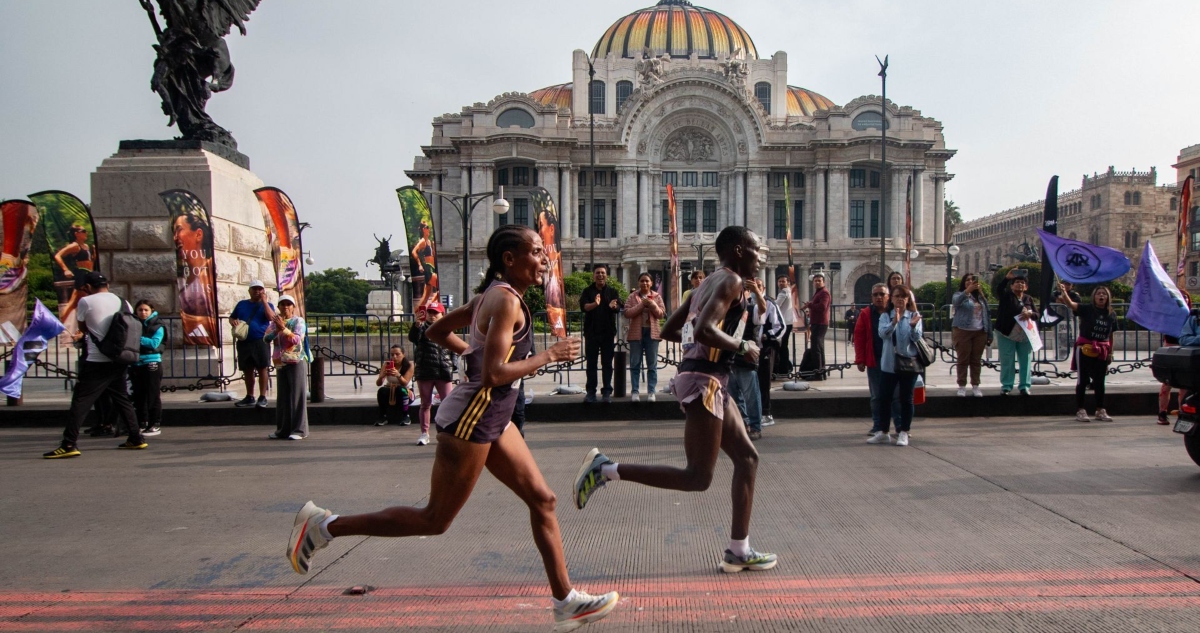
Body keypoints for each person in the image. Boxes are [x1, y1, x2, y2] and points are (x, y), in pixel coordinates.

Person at [286, 225, 618, 632]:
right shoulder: (504, 300)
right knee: (434, 520)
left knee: (543, 500)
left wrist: (472, 352)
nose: (544, 259)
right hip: (472, 421)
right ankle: (323, 526)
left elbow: (436, 331)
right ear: (509, 259)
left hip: (493, 416)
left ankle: (566, 601)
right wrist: (548, 354)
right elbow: (496, 374)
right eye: (535, 251)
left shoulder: (491, 297)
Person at [573, 226, 777, 575]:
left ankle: (738, 550)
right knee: (697, 478)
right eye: (758, 251)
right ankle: (605, 470)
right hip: (705, 381)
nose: (761, 258)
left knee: (747, 457)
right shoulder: (730, 283)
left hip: (709, 377)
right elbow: (703, 331)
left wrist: (709, 347)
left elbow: (669, 330)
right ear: (740, 250)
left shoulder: (704, 285)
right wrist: (741, 345)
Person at [43, 272, 147, 458]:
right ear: (106, 284)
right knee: (122, 398)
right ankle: (135, 437)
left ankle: (69, 444)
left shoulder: (86, 302)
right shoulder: (124, 302)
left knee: (80, 402)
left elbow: (84, 328)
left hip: (98, 359)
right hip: (119, 358)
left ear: (88, 287)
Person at [1059, 284, 1115, 422]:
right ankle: (1081, 409)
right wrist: (1064, 293)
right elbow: (1071, 304)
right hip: (1085, 348)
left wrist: (1110, 353)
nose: (1101, 296)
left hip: (1102, 349)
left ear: (1108, 297)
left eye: (1104, 294)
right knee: (1083, 380)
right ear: (1094, 297)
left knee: (1099, 381)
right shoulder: (1087, 309)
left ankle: (1100, 409)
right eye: (1098, 293)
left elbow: (1111, 335)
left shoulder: (1111, 313)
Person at [877, 284, 924, 447]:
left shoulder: (914, 315)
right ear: (892, 298)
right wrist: (894, 323)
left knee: (906, 398)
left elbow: (917, 338)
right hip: (889, 363)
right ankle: (883, 432)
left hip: (907, 363)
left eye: (903, 297)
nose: (900, 299)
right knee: (884, 398)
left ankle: (904, 431)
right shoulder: (885, 316)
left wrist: (912, 326)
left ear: (908, 299)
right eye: (897, 296)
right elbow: (882, 334)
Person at [264, 294, 310, 440]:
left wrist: (283, 329)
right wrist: (277, 329)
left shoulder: (298, 321)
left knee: (297, 395)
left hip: (295, 360)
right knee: (283, 397)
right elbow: (266, 338)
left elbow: (296, 339)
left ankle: (300, 430)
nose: (285, 307)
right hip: (280, 361)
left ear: (293, 307)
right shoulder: (274, 322)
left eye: (288, 304)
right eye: (282, 304)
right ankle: (283, 430)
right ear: (278, 307)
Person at [409, 303, 454, 445]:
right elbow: (413, 338)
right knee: (425, 403)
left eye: (435, 313)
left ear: (442, 314)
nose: (432, 315)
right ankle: (425, 433)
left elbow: (453, 348)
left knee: (447, 403)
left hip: (443, 369)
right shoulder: (421, 328)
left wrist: (453, 365)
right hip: (425, 370)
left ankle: (447, 431)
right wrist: (417, 325)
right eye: (430, 312)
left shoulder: (447, 328)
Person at [729, 277, 767, 440]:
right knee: (733, 396)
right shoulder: (725, 310)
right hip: (728, 358)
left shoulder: (750, 310)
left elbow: (763, 310)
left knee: (751, 395)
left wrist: (758, 292)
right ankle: (743, 424)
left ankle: (755, 426)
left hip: (745, 358)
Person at [856, 283, 894, 443]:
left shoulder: (895, 312)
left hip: (895, 360)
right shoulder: (865, 313)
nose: (879, 297)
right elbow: (859, 336)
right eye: (876, 294)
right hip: (875, 359)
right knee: (877, 395)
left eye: (882, 294)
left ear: (888, 296)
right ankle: (878, 425)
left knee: (898, 396)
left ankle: (900, 426)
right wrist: (860, 359)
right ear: (871, 297)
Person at [580, 265, 622, 403]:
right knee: (591, 364)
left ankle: (607, 392)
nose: (600, 275)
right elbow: (584, 307)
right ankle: (591, 392)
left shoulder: (612, 291)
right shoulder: (587, 291)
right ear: (593, 275)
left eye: (603, 273)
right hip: (591, 333)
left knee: (607, 364)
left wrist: (614, 306)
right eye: (597, 273)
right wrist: (595, 304)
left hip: (607, 333)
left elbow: (618, 307)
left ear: (607, 275)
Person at [229, 281, 274, 408]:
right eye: (254, 289)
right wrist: (233, 322)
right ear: (249, 290)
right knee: (247, 369)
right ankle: (249, 396)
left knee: (262, 368)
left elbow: (271, 318)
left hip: (260, 340)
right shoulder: (242, 304)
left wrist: (264, 302)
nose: (257, 291)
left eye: (260, 289)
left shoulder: (268, 304)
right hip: (244, 341)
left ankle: (263, 396)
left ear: (264, 291)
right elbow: (231, 317)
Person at [624, 272, 665, 403]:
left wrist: (652, 305)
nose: (644, 283)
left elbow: (661, 314)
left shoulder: (657, 296)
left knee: (652, 365)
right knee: (635, 363)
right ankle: (635, 391)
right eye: (642, 281)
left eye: (647, 281)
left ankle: (651, 391)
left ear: (651, 283)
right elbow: (627, 313)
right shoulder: (632, 296)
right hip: (636, 333)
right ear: (638, 282)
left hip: (652, 333)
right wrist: (642, 305)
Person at [995, 270, 1036, 396]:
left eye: (1022, 282)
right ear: (1012, 286)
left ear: (1026, 286)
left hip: (1025, 334)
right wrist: (1006, 279)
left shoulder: (1028, 298)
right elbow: (999, 289)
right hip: (1006, 332)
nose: (1019, 284)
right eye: (1017, 282)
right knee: (1007, 359)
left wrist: (1031, 313)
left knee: (1025, 360)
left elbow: (1037, 314)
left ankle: (1024, 386)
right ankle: (1007, 385)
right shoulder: (1007, 296)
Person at [951, 274, 992, 397]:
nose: (970, 282)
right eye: (967, 280)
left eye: (972, 280)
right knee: (963, 359)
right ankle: (962, 386)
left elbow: (987, 315)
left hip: (980, 331)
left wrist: (989, 333)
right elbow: (956, 303)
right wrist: (967, 292)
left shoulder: (980, 297)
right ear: (963, 283)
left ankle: (975, 385)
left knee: (976, 360)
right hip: (963, 331)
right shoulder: (959, 295)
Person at [131, 300, 164, 437]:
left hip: (152, 362)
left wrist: (138, 339)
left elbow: (154, 343)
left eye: (146, 310)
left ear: (151, 311)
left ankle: (154, 423)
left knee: (152, 394)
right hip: (136, 362)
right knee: (139, 395)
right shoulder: (134, 323)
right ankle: (141, 422)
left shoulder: (158, 326)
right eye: (140, 310)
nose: (143, 313)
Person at [757, 278, 786, 428]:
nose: (756, 288)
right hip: (751, 349)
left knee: (764, 381)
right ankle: (755, 412)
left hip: (766, 347)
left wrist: (767, 335)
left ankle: (766, 413)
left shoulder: (770, 303)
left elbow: (780, 326)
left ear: (764, 287)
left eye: (759, 285)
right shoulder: (748, 303)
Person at [374, 344, 413, 428]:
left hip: (406, 392)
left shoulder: (409, 365)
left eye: (397, 354)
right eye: (392, 355)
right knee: (382, 390)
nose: (394, 357)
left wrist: (398, 375)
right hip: (391, 391)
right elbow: (378, 383)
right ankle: (382, 416)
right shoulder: (387, 364)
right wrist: (382, 376)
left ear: (403, 354)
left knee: (401, 389)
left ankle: (406, 416)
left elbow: (405, 383)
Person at [801, 272, 830, 379]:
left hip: (820, 323)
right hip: (818, 322)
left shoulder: (824, 293)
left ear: (823, 282)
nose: (817, 282)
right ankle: (821, 372)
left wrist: (810, 305)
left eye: (819, 281)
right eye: (815, 281)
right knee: (819, 348)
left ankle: (818, 374)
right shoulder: (819, 293)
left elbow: (822, 307)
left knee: (816, 349)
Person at [774, 275, 796, 375]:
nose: (781, 283)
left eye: (783, 281)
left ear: (787, 282)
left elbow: (776, 305)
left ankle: (783, 368)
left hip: (784, 322)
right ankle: (785, 367)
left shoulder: (784, 292)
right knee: (784, 345)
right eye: (780, 281)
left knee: (782, 346)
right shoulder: (790, 291)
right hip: (789, 321)